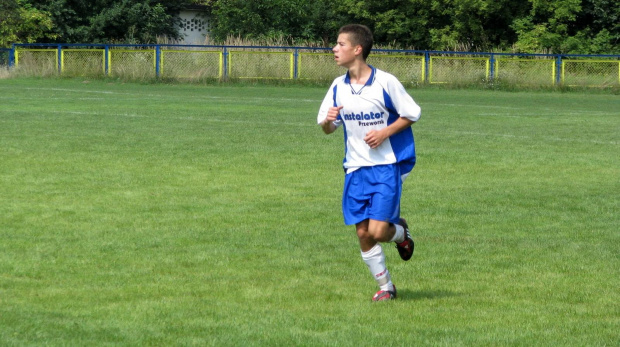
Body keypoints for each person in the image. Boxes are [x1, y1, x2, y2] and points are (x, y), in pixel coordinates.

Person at [317, 24, 421, 301]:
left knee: (377, 231)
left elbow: (412, 112)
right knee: (363, 233)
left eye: (340, 44)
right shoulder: (338, 86)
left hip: (386, 166)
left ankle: (400, 233)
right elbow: (327, 129)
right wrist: (329, 120)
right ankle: (386, 287)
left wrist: (385, 131)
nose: (334, 49)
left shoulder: (385, 82)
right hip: (355, 169)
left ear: (357, 49)